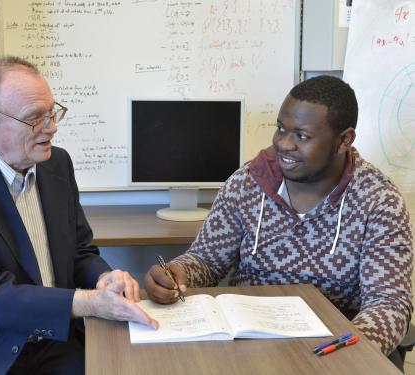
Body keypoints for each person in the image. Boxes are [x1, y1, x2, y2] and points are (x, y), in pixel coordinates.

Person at [144, 75, 413, 369]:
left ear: (344, 140)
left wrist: (345, 352)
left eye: (302, 135)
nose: (284, 144)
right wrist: (177, 272)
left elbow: (388, 303)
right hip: (246, 344)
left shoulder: (378, 200)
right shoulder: (248, 181)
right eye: (281, 129)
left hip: (327, 351)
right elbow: (208, 260)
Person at [0, 56, 157, 375]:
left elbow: (79, 252)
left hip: (54, 339)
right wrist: (89, 302)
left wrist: (104, 278)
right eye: (35, 118)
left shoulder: (56, 163)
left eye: (52, 113)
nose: (51, 128)